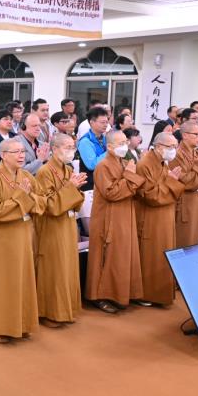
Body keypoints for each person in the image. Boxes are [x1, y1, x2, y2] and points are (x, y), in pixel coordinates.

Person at [0, 138, 45, 342]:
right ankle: (1, 328)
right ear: (3, 155)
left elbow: (41, 200)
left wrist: (27, 198)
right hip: (3, 237)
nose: (21, 155)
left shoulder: (26, 175)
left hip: (25, 234)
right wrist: (22, 196)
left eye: (22, 152)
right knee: (5, 281)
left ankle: (23, 324)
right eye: (16, 152)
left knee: (24, 279)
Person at [85, 130, 146, 313]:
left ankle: (122, 293)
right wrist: (129, 176)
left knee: (122, 254)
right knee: (106, 256)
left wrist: (130, 176)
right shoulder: (103, 166)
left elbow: (135, 187)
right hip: (108, 217)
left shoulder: (124, 162)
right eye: (120, 143)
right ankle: (99, 296)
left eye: (125, 142)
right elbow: (111, 193)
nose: (124, 146)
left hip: (125, 214)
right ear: (109, 147)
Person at [33, 134, 87, 327]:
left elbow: (76, 197)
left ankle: (66, 310)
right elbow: (49, 205)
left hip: (68, 223)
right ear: (54, 149)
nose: (71, 151)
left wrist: (75, 189)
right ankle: (50, 312)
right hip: (52, 226)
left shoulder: (68, 169)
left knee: (68, 267)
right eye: (67, 147)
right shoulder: (44, 171)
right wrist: (71, 188)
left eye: (73, 147)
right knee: (54, 267)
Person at [135, 133, 186, 307]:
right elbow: (151, 195)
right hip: (152, 217)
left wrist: (170, 180)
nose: (174, 150)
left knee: (164, 251)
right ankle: (147, 294)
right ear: (158, 146)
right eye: (170, 147)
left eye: (175, 146)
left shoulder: (162, 162)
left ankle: (160, 293)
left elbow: (164, 187)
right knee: (151, 254)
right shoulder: (145, 164)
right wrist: (171, 181)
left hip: (165, 214)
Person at [170, 122, 198, 247]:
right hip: (187, 202)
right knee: (186, 240)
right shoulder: (176, 155)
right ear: (184, 135)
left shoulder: (197, 153)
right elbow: (187, 182)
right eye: (196, 134)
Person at [77, 107, 109, 191]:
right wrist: (110, 152)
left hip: (103, 181)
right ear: (92, 122)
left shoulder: (104, 138)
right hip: (90, 185)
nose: (106, 125)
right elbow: (92, 165)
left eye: (107, 122)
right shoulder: (85, 141)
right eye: (102, 122)